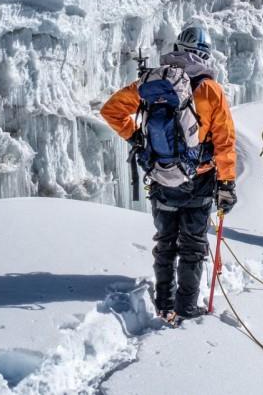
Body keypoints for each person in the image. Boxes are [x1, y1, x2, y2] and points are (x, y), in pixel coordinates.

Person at [100, 21, 238, 321]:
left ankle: (164, 304)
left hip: (161, 175)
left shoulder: (152, 81)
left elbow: (111, 109)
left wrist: (137, 137)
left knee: (165, 242)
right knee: (192, 246)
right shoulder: (211, 89)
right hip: (199, 178)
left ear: (177, 48)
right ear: (204, 53)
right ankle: (186, 307)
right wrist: (226, 183)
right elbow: (225, 141)